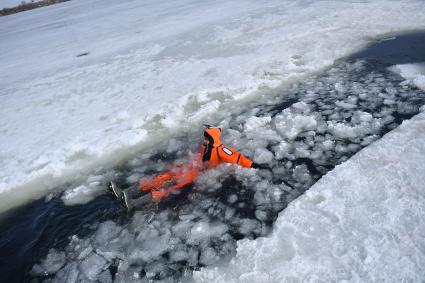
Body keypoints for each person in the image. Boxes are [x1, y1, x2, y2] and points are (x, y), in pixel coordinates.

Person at [109, 125, 265, 211]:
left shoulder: (222, 150)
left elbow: (238, 158)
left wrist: (254, 165)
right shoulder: (205, 145)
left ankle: (134, 203)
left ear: (213, 138)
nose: (204, 138)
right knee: (161, 177)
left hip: (195, 173)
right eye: (205, 135)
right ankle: (126, 192)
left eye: (207, 136)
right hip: (188, 167)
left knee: (169, 186)